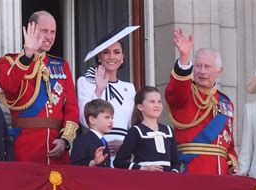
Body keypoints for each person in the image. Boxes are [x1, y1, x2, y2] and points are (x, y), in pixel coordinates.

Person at [0, 11, 79, 165]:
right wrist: (27, 56)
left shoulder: (61, 65)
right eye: (44, 31)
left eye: (53, 32)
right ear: (30, 30)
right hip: (26, 146)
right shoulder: (8, 62)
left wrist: (65, 139)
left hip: (57, 149)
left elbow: (71, 108)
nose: (50, 37)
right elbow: (8, 86)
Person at [165, 29, 237, 175]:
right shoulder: (186, 93)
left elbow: (228, 144)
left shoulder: (225, 102)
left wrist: (232, 166)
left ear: (219, 71)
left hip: (220, 173)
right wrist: (184, 58)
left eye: (207, 67)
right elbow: (174, 92)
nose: (201, 71)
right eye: (198, 66)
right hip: (191, 169)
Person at [77, 29, 137, 167]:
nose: (111, 57)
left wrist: (127, 145)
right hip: (97, 150)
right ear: (99, 57)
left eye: (116, 52)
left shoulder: (129, 88)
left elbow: (133, 125)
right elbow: (84, 119)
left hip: (124, 153)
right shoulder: (86, 82)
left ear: (123, 57)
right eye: (106, 52)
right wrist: (98, 90)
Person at [114, 86, 180, 172]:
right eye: (152, 102)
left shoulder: (168, 130)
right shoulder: (135, 131)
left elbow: (176, 162)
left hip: (167, 181)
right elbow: (119, 161)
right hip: (144, 180)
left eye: (159, 102)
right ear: (140, 107)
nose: (157, 105)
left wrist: (174, 173)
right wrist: (142, 168)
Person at [71, 99, 112, 167]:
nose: (111, 121)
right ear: (92, 120)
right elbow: (75, 165)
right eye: (107, 117)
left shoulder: (104, 142)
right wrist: (92, 163)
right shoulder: (82, 140)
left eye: (112, 118)